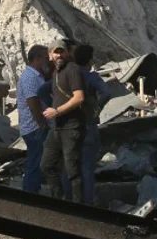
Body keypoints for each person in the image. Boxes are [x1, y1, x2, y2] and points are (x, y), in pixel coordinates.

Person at [41, 39, 89, 202]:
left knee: (72, 171)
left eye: (62, 51)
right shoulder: (56, 73)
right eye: (56, 52)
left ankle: (78, 208)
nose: (59, 55)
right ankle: (59, 200)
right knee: (46, 165)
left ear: (67, 53)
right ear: (50, 56)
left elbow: (79, 97)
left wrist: (56, 111)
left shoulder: (72, 69)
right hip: (57, 127)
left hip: (71, 127)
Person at [74, 44, 111, 206]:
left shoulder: (66, 76)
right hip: (88, 126)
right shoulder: (91, 77)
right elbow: (107, 93)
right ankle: (87, 203)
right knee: (87, 167)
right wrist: (98, 108)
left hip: (69, 128)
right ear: (90, 60)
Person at [16, 45, 52, 193]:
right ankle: (30, 194)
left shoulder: (38, 76)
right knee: (35, 163)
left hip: (36, 127)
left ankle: (34, 191)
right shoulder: (30, 78)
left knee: (38, 162)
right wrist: (42, 124)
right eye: (46, 58)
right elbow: (33, 105)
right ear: (37, 59)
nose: (48, 61)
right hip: (34, 128)